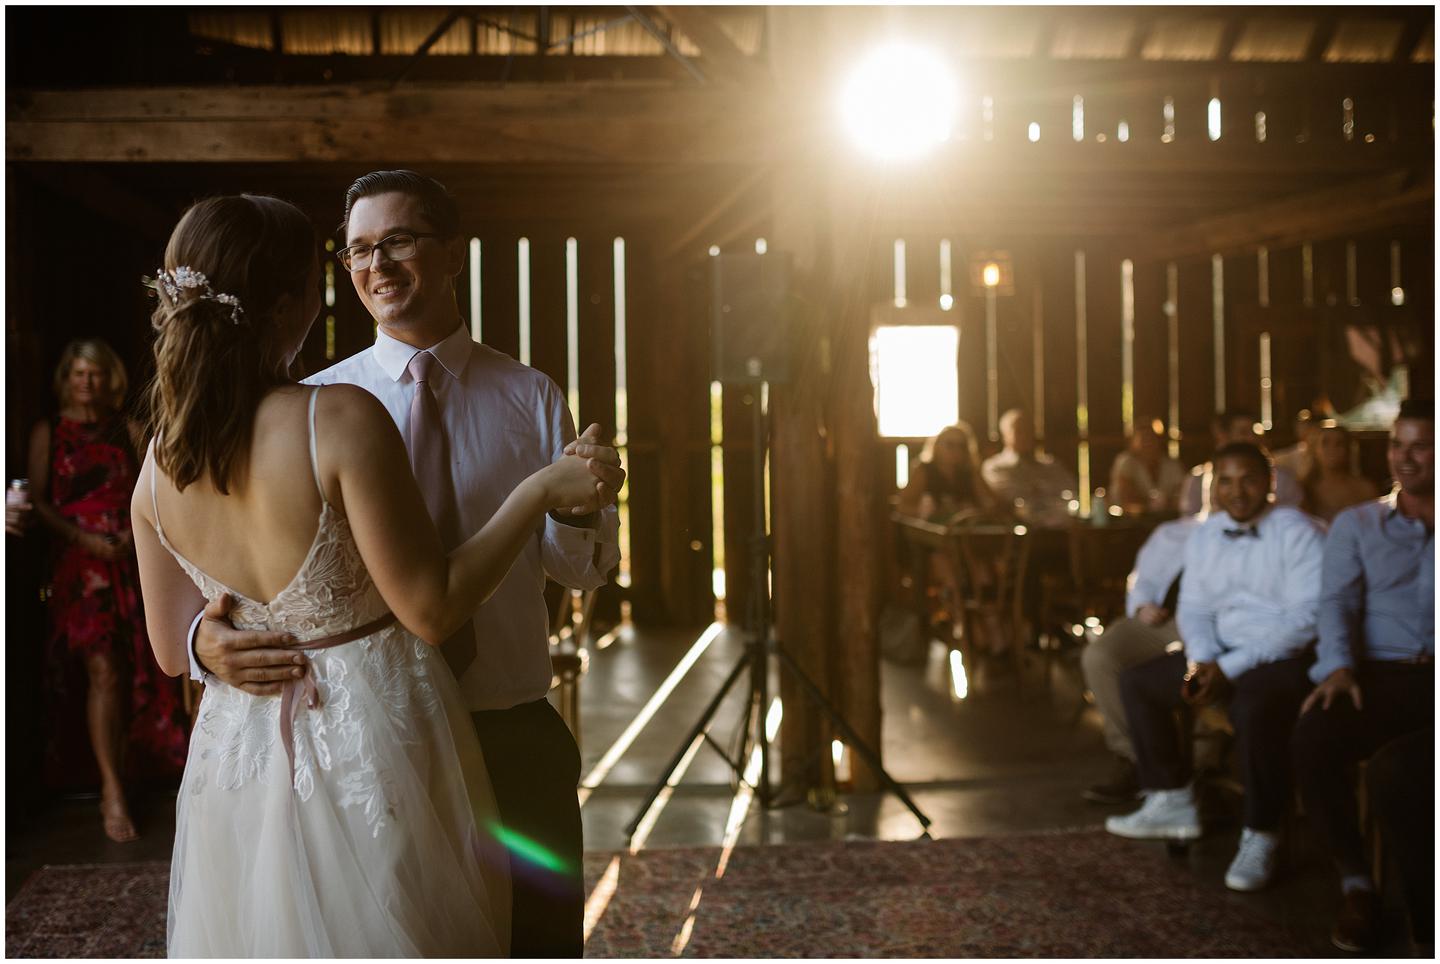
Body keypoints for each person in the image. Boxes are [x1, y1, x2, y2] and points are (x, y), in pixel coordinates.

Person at [133, 193, 610, 956]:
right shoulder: (337, 411)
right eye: (352, 254)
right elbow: (431, 609)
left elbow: (163, 646)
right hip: (380, 741)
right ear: (293, 305)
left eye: (399, 241)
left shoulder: (158, 469)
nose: (370, 267)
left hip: (253, 762)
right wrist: (538, 491)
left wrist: (199, 646)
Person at [1105, 442, 1324, 893]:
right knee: (1139, 682)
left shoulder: (1300, 531)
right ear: (1213, 487)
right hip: (1219, 652)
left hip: (1282, 655)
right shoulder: (1206, 534)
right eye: (1226, 481)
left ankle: (1261, 833)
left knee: (1254, 708)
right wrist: (1201, 660)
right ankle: (1172, 798)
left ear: (1269, 484)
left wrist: (1229, 667)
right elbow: (1195, 608)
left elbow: (1305, 620)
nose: (1237, 491)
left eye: (1248, 479)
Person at [27, 338, 188, 842]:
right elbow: (38, 500)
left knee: (142, 664)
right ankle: (111, 789)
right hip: (80, 571)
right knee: (101, 668)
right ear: (65, 380)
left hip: (130, 560)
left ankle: (142, 769)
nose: (87, 382)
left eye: (95, 373)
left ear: (109, 379)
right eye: (78, 373)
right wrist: (84, 539)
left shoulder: (130, 429)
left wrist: (131, 538)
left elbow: (154, 490)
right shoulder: (48, 431)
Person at [1291, 400, 1433, 953]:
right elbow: (1335, 604)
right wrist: (1339, 667)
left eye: (1421, 446)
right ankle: (1357, 884)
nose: (1405, 458)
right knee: (1313, 735)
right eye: (1399, 445)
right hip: (1379, 675)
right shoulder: (1358, 524)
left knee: (1400, 774)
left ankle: (1427, 923)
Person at [1079, 514, 1199, 803]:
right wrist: (1143, 604)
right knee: (1100, 656)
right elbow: (1143, 578)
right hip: (1164, 619)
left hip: (1210, 624)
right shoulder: (1172, 531)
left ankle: (1190, 776)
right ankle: (1132, 758)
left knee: (1146, 681)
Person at [1178, 409, 1302, 516]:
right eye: (1244, 432)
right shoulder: (1197, 479)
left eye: (1255, 432)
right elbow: (1188, 521)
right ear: (1223, 436)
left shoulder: (1282, 477)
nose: (1252, 438)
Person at [981, 408, 1077, 527]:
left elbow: (1069, 492)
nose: (1025, 435)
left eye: (1029, 430)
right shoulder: (995, 467)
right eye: (1019, 430)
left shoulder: (1052, 465)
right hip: (1014, 532)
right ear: (1005, 435)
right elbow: (1010, 497)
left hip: (1057, 529)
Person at [897, 422, 999, 522]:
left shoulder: (970, 472)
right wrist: (924, 512)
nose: (956, 450)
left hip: (966, 531)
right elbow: (903, 507)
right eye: (950, 445)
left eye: (962, 446)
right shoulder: (924, 470)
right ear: (937, 445)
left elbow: (993, 503)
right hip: (933, 533)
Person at [1298, 419, 1380, 523]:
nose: (1332, 448)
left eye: (1339, 443)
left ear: (1348, 450)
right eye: (1325, 443)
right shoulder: (1303, 490)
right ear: (1314, 450)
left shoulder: (1365, 489)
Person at [1108, 417, 1187, 514]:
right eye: (1143, 438)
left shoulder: (1172, 466)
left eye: (1151, 438)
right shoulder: (1126, 463)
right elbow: (1126, 498)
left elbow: (1182, 496)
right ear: (1133, 441)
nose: (1148, 442)